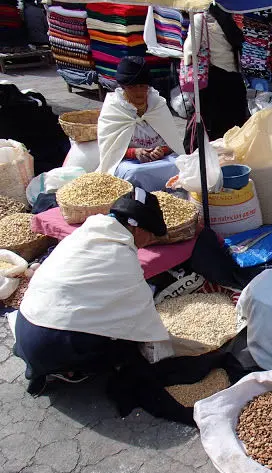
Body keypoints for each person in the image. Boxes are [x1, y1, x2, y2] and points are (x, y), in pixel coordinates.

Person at [13, 188, 171, 395]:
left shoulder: (83, 235)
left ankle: (48, 364)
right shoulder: (121, 255)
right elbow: (143, 316)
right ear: (137, 229)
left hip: (25, 328)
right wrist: (164, 346)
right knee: (125, 347)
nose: (148, 242)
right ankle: (68, 369)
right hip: (52, 343)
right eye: (150, 236)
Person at [97, 56, 185, 192]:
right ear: (123, 88)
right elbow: (109, 150)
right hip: (128, 162)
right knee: (134, 173)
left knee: (182, 165)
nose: (139, 92)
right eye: (132, 87)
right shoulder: (114, 108)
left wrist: (162, 150)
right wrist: (135, 152)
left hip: (162, 161)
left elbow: (173, 142)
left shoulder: (157, 105)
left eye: (143, 86)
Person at [182, 4, 248, 152]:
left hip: (212, 82)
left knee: (205, 125)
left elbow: (190, 52)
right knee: (231, 129)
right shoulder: (234, 19)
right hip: (235, 81)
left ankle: (202, 160)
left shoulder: (201, 19)